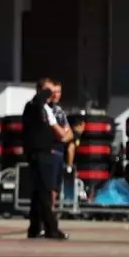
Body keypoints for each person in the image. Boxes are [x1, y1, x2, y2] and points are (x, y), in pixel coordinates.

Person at [22, 78, 68, 240]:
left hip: (47, 152)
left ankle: (34, 227)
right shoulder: (33, 106)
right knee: (45, 193)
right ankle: (52, 228)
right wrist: (45, 93)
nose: (51, 94)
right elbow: (38, 102)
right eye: (48, 91)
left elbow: (63, 133)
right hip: (38, 152)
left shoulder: (48, 109)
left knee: (39, 192)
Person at [48, 81, 73, 211]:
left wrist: (62, 135)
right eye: (54, 92)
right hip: (49, 151)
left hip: (59, 152)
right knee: (50, 187)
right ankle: (49, 213)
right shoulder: (45, 109)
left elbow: (69, 135)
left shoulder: (59, 112)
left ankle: (51, 212)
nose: (57, 95)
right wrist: (61, 134)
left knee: (56, 186)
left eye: (59, 92)